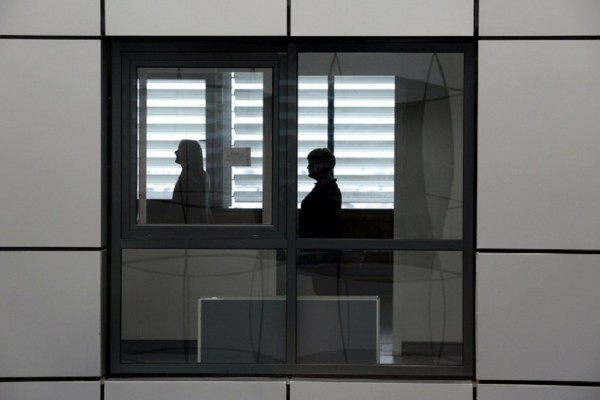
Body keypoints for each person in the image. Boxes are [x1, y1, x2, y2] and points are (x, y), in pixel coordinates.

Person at [299, 148, 342, 238]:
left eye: (311, 164)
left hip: (317, 242)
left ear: (321, 166)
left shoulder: (326, 191)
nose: (308, 167)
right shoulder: (326, 188)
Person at [171, 139, 212, 224]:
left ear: (188, 155)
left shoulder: (190, 177)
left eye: (180, 149)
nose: (176, 152)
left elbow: (192, 208)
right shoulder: (198, 175)